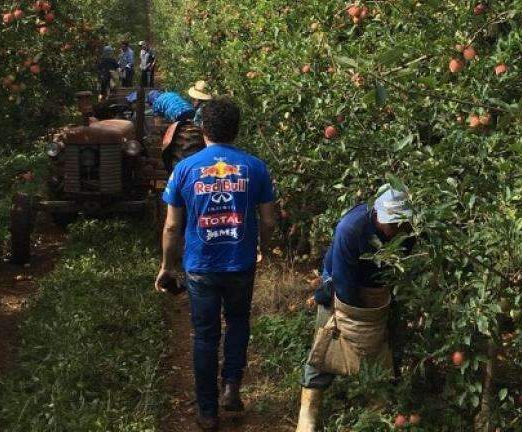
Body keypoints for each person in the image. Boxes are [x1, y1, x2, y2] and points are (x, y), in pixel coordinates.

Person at [155, 97, 277, 432]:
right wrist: (262, 250)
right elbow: (268, 221)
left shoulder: (185, 169)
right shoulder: (255, 167)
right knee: (238, 323)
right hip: (240, 263)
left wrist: (168, 266)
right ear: (236, 129)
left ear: (203, 129)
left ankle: (207, 412)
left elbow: (171, 226)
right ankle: (231, 388)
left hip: (201, 266)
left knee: (205, 336)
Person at [295, 186, 416, 432]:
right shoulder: (351, 229)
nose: (393, 231)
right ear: (376, 215)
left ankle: (378, 406)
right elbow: (343, 280)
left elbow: (405, 266)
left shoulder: (409, 231)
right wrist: (356, 320)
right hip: (343, 282)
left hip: (381, 287)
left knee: (386, 344)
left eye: (398, 225)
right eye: (389, 225)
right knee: (327, 342)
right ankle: (308, 414)